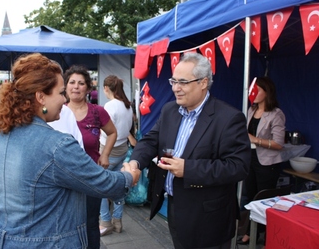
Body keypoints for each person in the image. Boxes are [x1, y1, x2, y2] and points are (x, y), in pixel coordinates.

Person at [0, 53, 140, 248]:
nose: (64, 100)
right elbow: (101, 183)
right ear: (40, 97)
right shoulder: (56, 145)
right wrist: (129, 177)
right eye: (61, 92)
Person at [129, 52, 251, 249]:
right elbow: (151, 141)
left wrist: (189, 169)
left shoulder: (229, 118)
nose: (176, 88)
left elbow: (238, 167)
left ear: (203, 83)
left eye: (183, 82)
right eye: (174, 81)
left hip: (209, 218)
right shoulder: (170, 110)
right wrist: (135, 163)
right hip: (175, 208)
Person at [64, 65, 117, 249]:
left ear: (87, 87)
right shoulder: (57, 112)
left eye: (81, 83)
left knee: (90, 223)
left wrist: (105, 154)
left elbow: (112, 133)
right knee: (67, 223)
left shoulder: (97, 111)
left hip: (90, 177)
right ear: (66, 86)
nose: (76, 87)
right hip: (64, 179)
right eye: (72, 82)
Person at [237, 76, 286, 245]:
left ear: (267, 92)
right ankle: (251, 232)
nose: (254, 94)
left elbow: (279, 143)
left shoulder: (276, 114)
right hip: (250, 160)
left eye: (258, 90)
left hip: (268, 163)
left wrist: (255, 140)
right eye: (252, 90)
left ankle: (266, 234)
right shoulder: (250, 110)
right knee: (249, 197)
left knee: (263, 199)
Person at [99, 75, 134, 236]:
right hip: (122, 150)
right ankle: (117, 221)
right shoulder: (127, 105)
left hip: (108, 150)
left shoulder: (110, 106)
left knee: (100, 187)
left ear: (106, 88)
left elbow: (106, 130)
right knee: (119, 185)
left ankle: (105, 221)